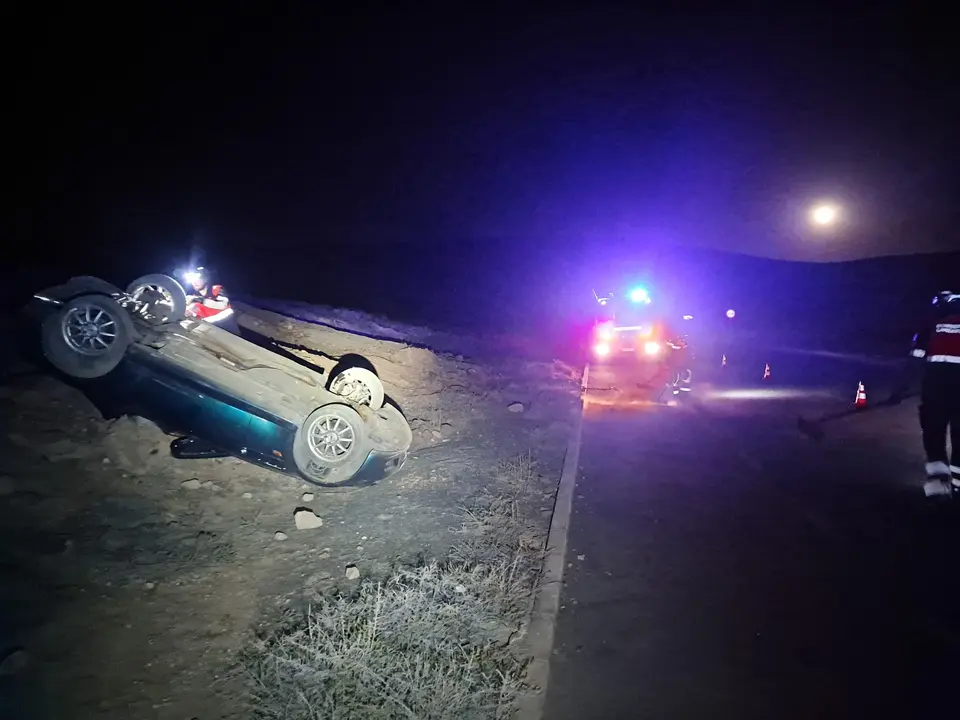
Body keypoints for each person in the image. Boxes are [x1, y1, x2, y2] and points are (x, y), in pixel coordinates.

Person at [912, 290, 960, 497]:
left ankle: (938, 487)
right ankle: (958, 486)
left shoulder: (929, 328)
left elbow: (914, 361)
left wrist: (899, 391)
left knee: (934, 436)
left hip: (935, 393)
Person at [183, 267, 241, 335]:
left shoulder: (217, 289)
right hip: (212, 332)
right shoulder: (194, 299)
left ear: (206, 279)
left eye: (198, 279)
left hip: (229, 330)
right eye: (192, 280)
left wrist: (198, 300)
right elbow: (191, 311)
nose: (194, 282)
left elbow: (222, 305)